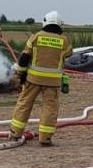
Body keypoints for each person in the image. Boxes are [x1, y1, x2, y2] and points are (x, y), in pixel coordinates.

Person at [9, 11, 72, 145]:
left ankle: (15, 133)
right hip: (53, 82)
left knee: (24, 104)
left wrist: (20, 74)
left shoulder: (35, 37)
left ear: (45, 22)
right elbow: (68, 54)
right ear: (60, 25)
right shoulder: (64, 40)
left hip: (33, 79)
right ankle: (45, 138)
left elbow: (24, 57)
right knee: (50, 108)